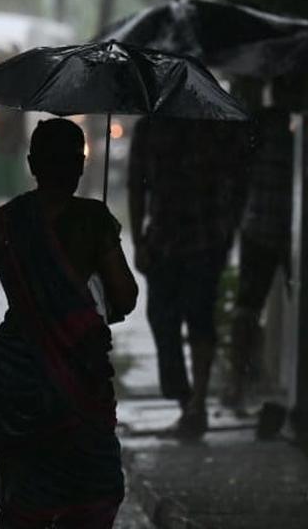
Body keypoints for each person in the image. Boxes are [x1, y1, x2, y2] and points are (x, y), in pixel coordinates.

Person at [0, 118, 139, 528]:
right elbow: (125, 297)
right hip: (80, 373)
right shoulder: (94, 220)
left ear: (31, 164)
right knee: (93, 489)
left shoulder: (3, 223)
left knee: (25, 494)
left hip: (17, 381)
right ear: (80, 166)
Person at [128, 116, 246, 438]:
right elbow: (136, 185)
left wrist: (228, 231)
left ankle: (196, 404)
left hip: (204, 240)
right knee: (163, 320)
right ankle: (185, 397)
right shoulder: (151, 126)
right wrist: (138, 241)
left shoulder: (217, 125)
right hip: (165, 242)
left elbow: (237, 180)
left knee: (199, 319)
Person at [223, 107, 292, 412]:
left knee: (246, 309)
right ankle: (241, 382)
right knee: (249, 309)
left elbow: (238, 180)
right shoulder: (284, 130)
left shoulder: (256, 128)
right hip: (281, 228)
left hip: (259, 227)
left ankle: (239, 383)